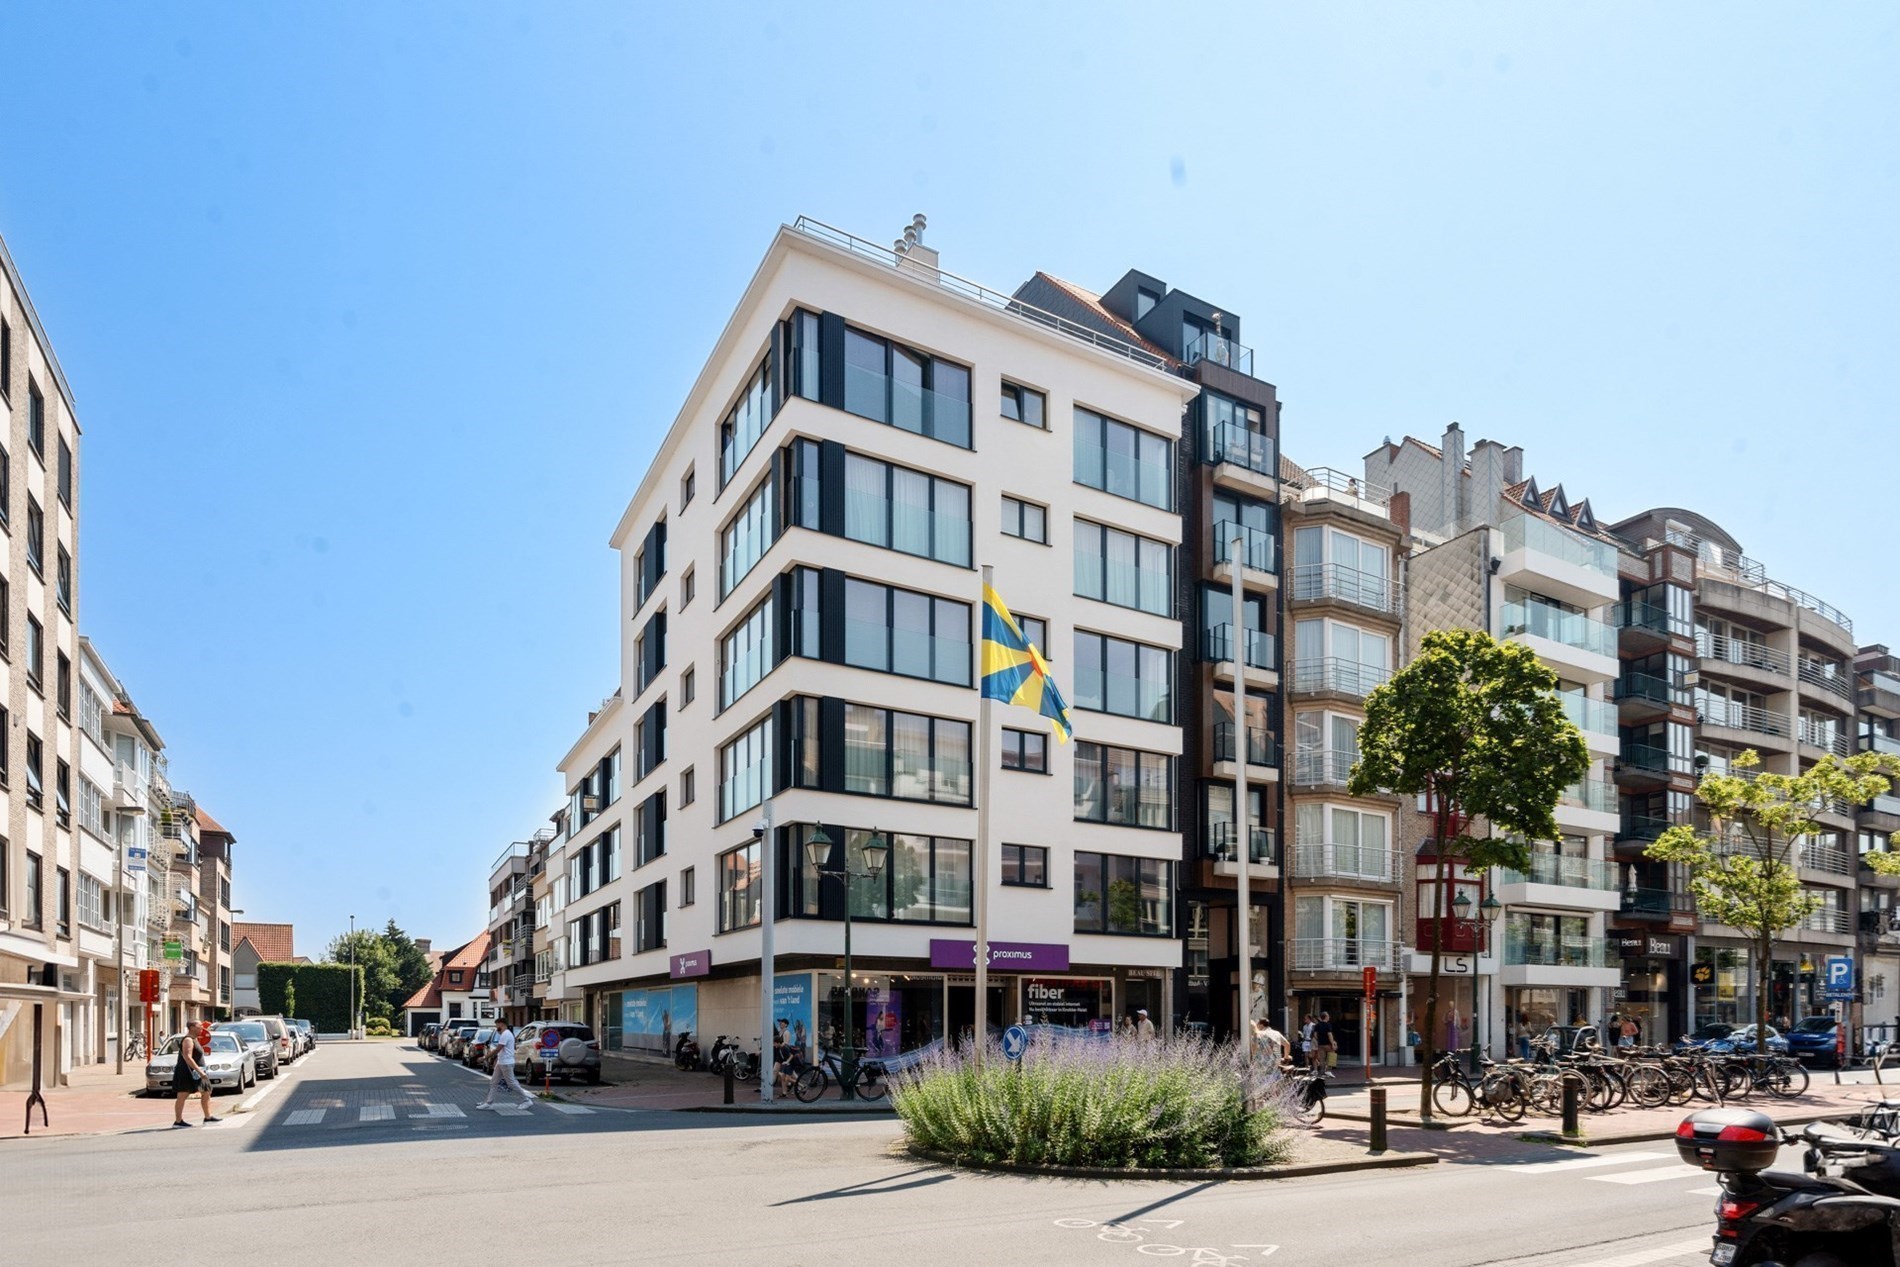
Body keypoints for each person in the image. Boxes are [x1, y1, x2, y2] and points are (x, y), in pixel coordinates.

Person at [476, 1018, 534, 1110]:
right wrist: (497, 1060)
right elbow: (502, 1050)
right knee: (494, 1082)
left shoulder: (506, 1034)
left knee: (511, 1083)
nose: (496, 1027)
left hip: (506, 1063)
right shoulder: (505, 1034)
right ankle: (489, 1102)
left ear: (501, 1024)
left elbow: (498, 1049)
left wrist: (484, 1058)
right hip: (502, 1062)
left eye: (497, 1025)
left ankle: (526, 1100)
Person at [172, 1029, 218, 1127]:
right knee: (182, 1095)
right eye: (199, 1026)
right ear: (192, 1027)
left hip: (197, 1072)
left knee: (206, 1091)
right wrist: (199, 1071)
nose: (201, 1028)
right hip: (187, 1072)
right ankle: (178, 1121)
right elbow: (187, 1057)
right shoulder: (188, 1040)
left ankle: (208, 1117)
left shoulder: (195, 1039)